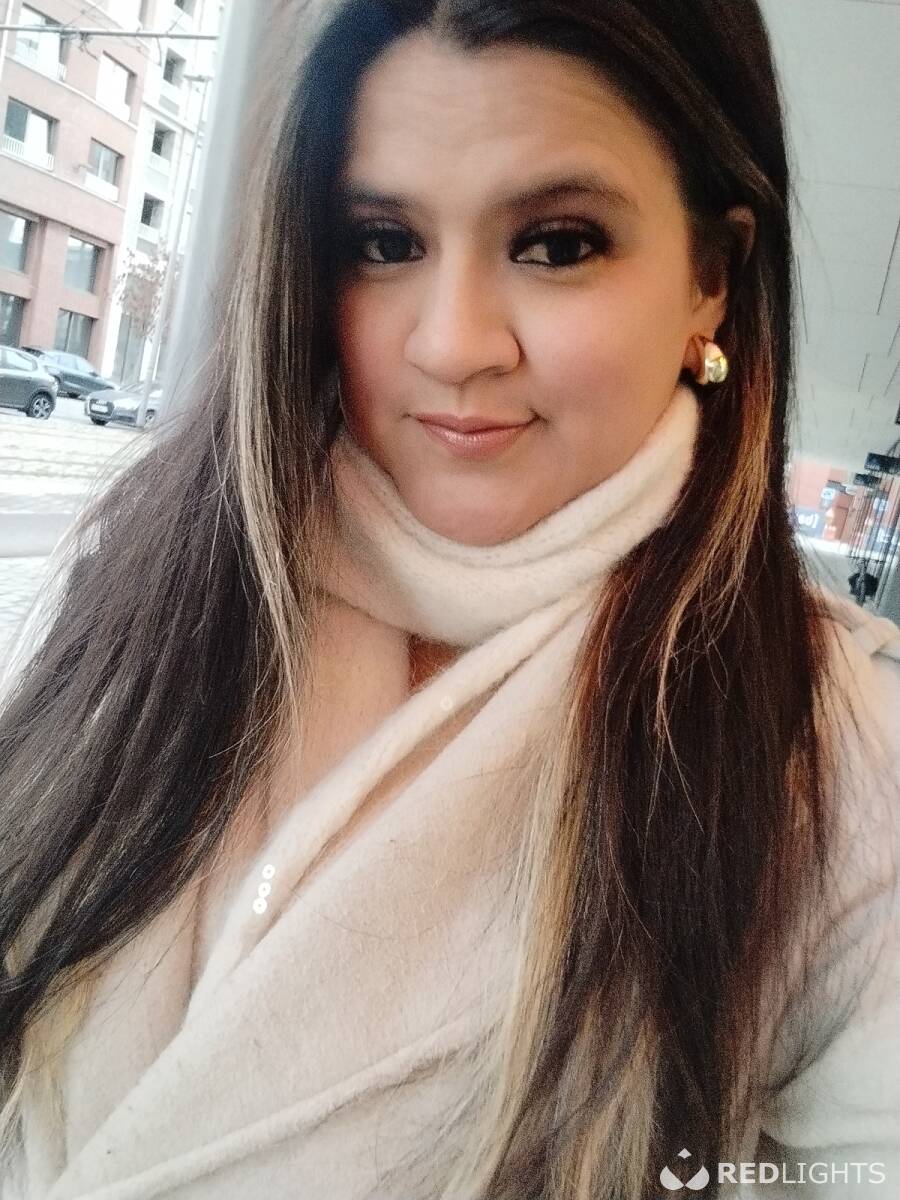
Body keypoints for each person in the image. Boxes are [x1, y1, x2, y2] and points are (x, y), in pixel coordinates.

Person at [1, 2, 899, 1197]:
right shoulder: (153, 573)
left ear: (709, 281)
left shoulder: (832, 756)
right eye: (383, 242)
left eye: (559, 244)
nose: (453, 344)